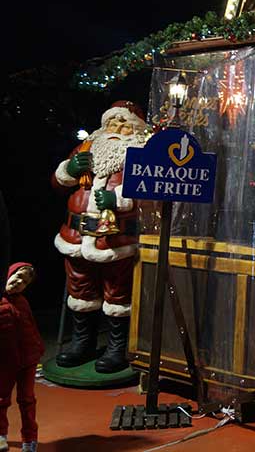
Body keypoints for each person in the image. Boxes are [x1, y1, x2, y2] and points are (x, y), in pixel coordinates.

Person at [51, 101, 149, 373]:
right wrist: (69, 171)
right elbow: (57, 184)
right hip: (76, 235)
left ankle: (117, 347)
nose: (117, 129)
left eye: (124, 123)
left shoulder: (142, 153)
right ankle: (82, 342)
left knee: (118, 292)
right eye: (112, 123)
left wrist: (118, 199)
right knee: (80, 289)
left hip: (115, 239)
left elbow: (150, 193)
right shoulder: (86, 149)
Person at [1, 263, 43, 452]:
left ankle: (30, 438)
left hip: (27, 359)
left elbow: (31, 327)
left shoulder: (22, 302)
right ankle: (1, 435)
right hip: (4, 362)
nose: (19, 283)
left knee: (27, 400)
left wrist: (38, 349)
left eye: (24, 282)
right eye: (17, 277)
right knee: (1, 399)